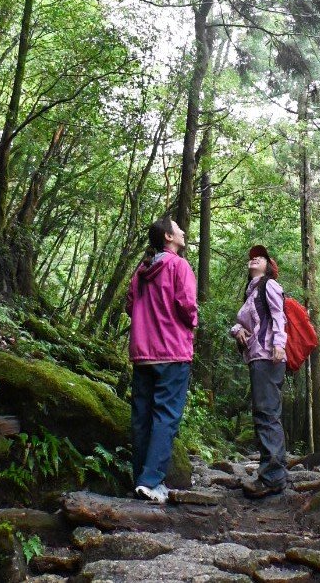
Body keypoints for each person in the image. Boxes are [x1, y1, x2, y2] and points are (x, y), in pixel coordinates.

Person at [124, 216, 198, 503]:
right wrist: (192, 323)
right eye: (178, 229)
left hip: (143, 353)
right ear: (168, 237)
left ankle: (141, 479)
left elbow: (130, 306)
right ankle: (151, 481)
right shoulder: (179, 266)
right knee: (166, 416)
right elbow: (187, 306)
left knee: (142, 417)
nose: (183, 231)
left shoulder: (141, 271)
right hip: (172, 352)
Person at [230, 244, 288, 498]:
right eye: (252, 257)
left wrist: (279, 345)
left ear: (269, 266)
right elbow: (244, 324)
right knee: (263, 413)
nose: (254, 259)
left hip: (269, 356)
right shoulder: (251, 292)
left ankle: (273, 477)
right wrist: (237, 330)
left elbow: (279, 316)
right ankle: (272, 472)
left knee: (267, 414)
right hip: (256, 356)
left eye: (260, 258)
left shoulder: (269, 285)